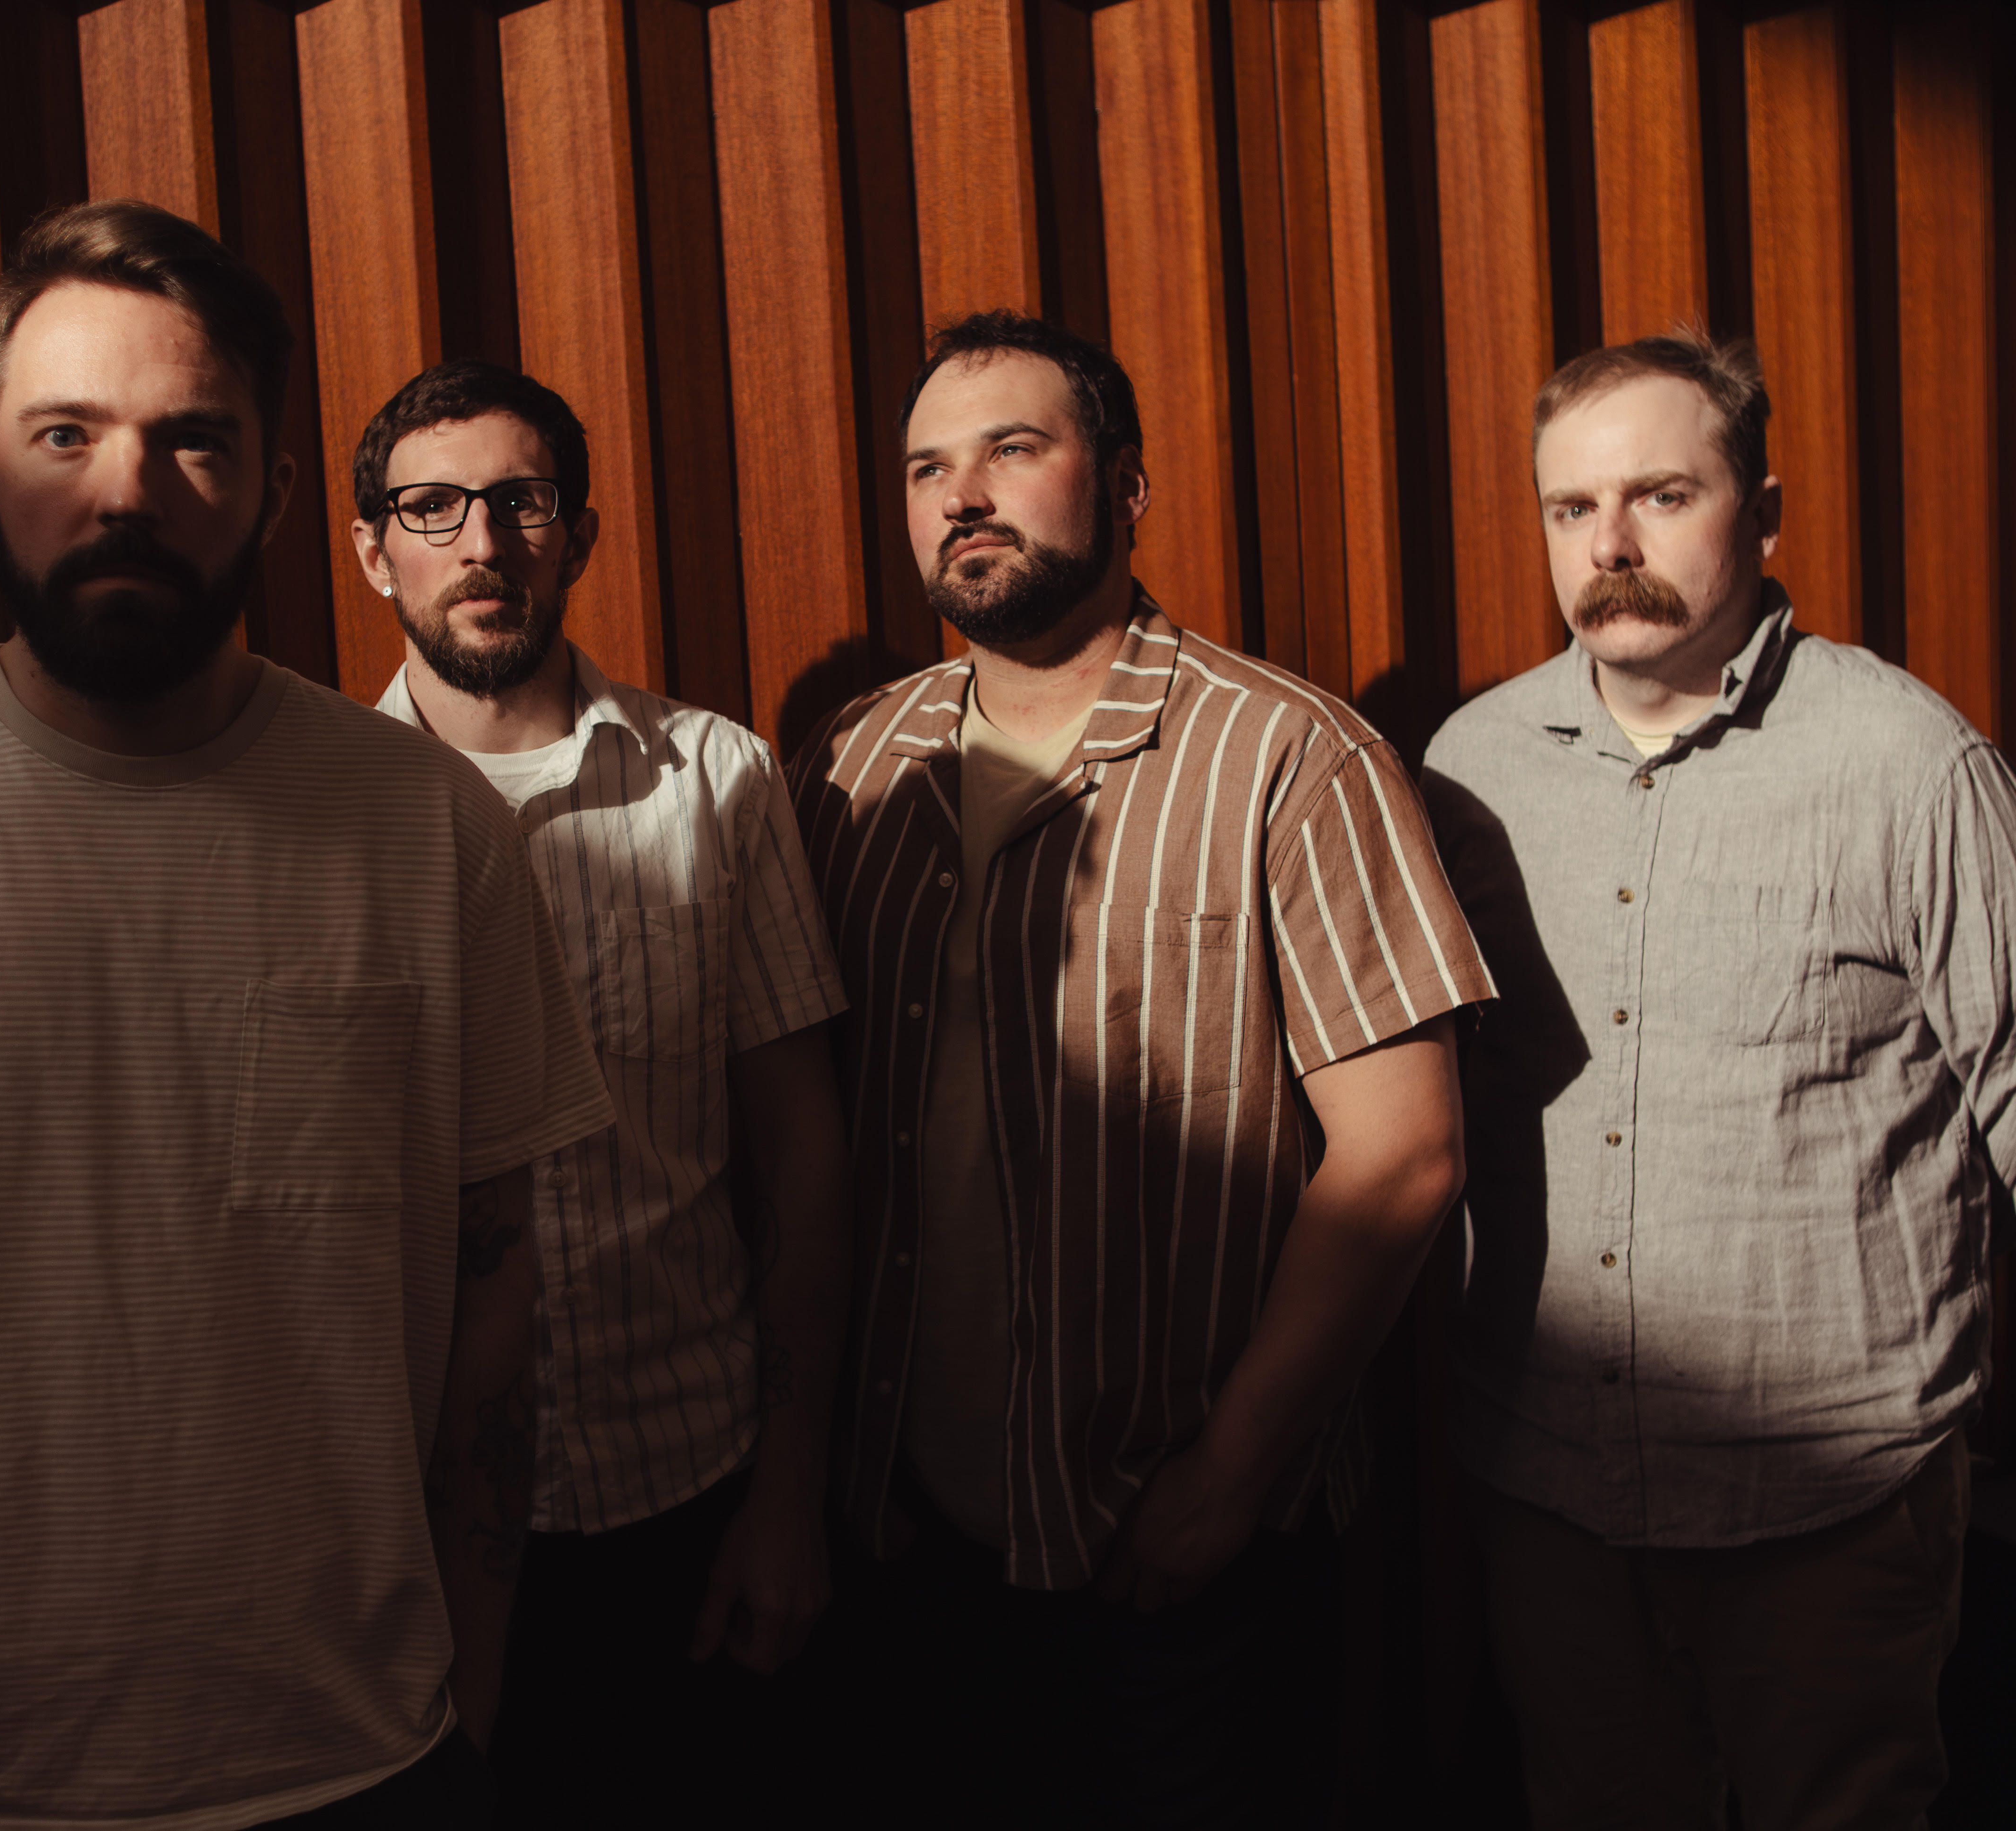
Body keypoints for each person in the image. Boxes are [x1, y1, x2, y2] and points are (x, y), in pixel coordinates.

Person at [0, 200, 613, 1831]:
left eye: (193, 440)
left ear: (274, 490)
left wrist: (471, 1698)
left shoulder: (432, 833)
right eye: (65, 434)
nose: (126, 491)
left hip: (357, 1764)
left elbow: (493, 1317)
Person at [788, 309, 1491, 1823]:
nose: (963, 496)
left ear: (1126, 486)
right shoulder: (854, 766)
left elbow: (1405, 1154)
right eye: (927, 468)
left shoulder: (1291, 756)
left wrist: (1229, 1479)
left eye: (1012, 450)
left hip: (1176, 1547)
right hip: (912, 1538)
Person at [1422, 327, 2008, 1830]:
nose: (1609, 545)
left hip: (1830, 1499)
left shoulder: (1908, 764)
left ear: (1765, 513)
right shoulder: (1470, 769)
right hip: (1553, 1489)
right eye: (1571, 507)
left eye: (1662, 496)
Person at [348, 361, 852, 1823]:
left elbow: (806, 1160)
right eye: (432, 509)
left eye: (522, 502)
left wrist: (790, 1495)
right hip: (406, 1533)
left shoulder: (716, 780)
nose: (482, 543)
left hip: (683, 1504)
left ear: (579, 533)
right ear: (373, 551)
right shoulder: (309, 821)